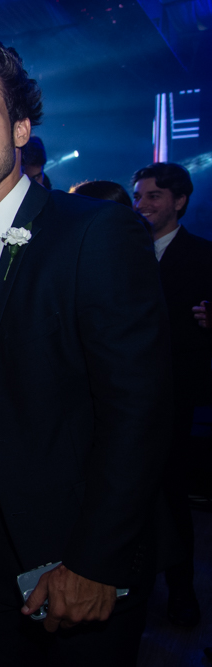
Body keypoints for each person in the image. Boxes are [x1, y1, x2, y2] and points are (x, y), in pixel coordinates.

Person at [0, 39, 173, 665]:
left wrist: (96, 559)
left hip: (76, 548)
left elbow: (138, 411)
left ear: (21, 129)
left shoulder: (95, 231)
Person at [131, 162, 211, 628]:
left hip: (177, 396)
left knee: (171, 494)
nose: (142, 204)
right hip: (126, 396)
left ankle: (182, 593)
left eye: (154, 196)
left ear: (179, 201)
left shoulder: (203, 255)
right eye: (138, 196)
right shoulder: (122, 250)